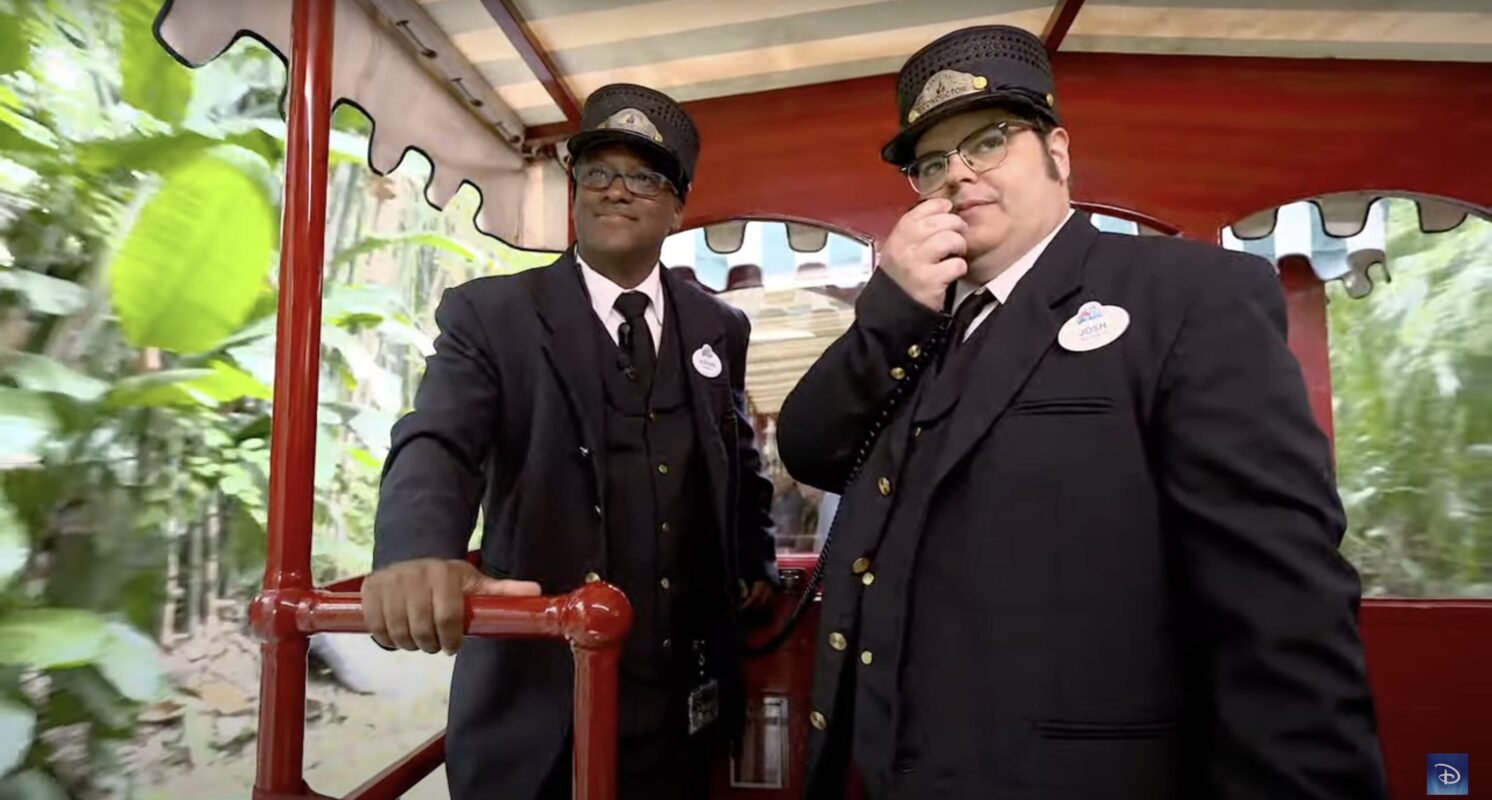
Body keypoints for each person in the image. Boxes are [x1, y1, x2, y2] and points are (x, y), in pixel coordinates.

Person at [776, 25, 1387, 800]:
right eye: (933, 164)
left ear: (1057, 152)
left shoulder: (1187, 295)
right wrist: (889, 310)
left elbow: (1282, 615)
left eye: (989, 141)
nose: (958, 174)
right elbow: (810, 446)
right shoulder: (915, 332)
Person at [363, 83, 778, 800]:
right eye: (597, 172)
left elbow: (735, 452)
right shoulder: (491, 315)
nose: (615, 191)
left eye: (643, 176)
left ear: (678, 204)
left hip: (680, 704)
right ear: (575, 189)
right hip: (537, 703)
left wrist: (756, 557)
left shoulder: (720, 328)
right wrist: (416, 550)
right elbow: (438, 437)